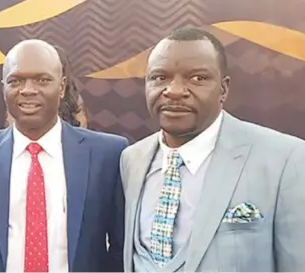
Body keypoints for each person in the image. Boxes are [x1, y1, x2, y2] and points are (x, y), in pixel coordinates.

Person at [120, 27, 305, 272]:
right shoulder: (132, 159)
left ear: (223, 89)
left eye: (197, 78)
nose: (174, 91)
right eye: (159, 77)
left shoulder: (285, 159)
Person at [0, 39, 127, 272]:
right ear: (3, 88)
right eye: (15, 81)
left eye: (42, 80)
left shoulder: (106, 155)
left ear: (62, 86)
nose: (27, 90)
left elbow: (119, 247)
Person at [5, 46, 89, 128]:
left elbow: (80, 130)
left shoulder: (74, 99)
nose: (28, 90)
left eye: (43, 80)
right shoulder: (17, 100)